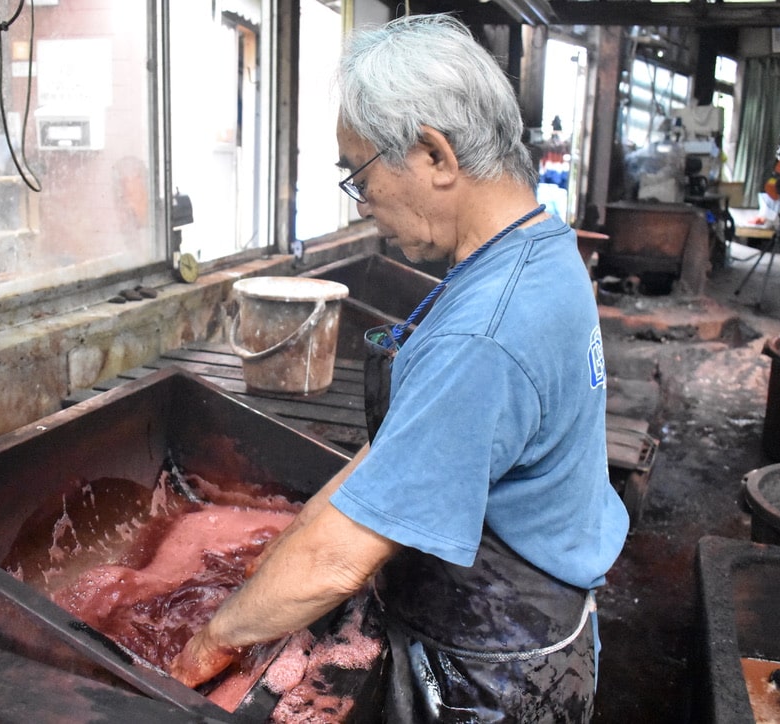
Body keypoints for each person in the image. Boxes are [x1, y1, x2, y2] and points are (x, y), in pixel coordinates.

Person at [170, 14, 629, 721]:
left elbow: (339, 560)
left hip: (490, 674)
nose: (362, 204)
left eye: (359, 174)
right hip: (532, 617)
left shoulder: (487, 331)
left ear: (435, 156)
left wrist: (201, 647)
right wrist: (283, 548)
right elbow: (395, 457)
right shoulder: (532, 248)